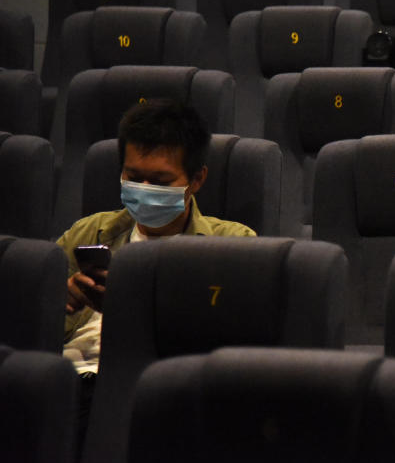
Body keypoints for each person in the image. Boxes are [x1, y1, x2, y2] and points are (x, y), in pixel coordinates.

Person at [59, 99, 255, 438]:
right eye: (133, 178)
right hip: (66, 378)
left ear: (196, 180)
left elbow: (232, 346)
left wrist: (129, 316)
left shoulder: (233, 245)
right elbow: (28, 324)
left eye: (161, 182)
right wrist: (63, 303)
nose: (145, 191)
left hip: (153, 386)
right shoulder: (88, 232)